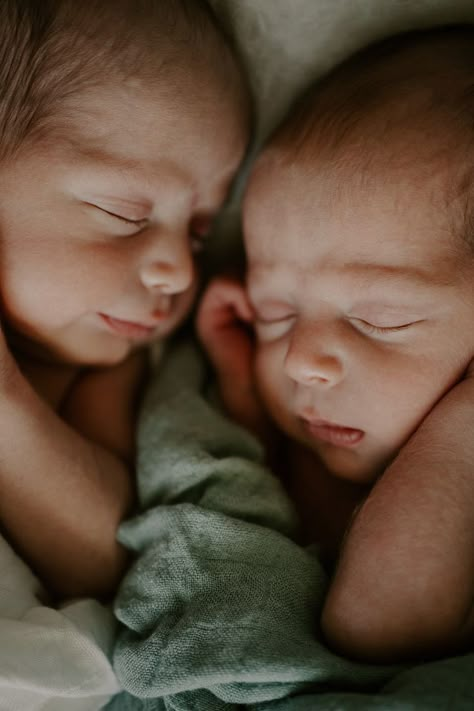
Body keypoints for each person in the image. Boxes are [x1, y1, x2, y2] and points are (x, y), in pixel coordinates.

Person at [197, 25, 474, 663]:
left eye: (380, 318)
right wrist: (240, 386)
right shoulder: (314, 439)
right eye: (276, 311)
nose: (299, 361)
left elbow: (381, 624)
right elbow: (265, 499)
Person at [0, 0, 250, 602]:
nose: (181, 270)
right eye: (126, 214)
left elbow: (103, 563)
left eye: (198, 232)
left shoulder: (107, 367)